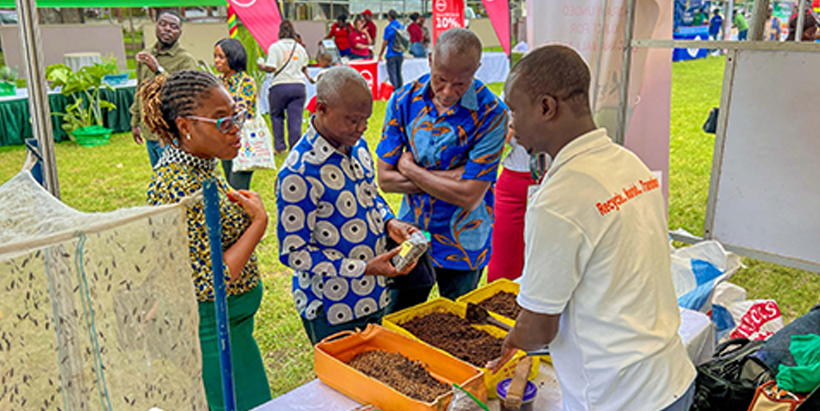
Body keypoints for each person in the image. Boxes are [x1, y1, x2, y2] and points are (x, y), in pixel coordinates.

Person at [487, 45, 696, 411]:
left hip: (619, 398)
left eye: (513, 110)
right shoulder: (629, 164)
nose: (511, 125)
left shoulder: (558, 199)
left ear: (546, 107)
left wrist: (510, 343)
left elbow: (539, 327)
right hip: (671, 378)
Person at [142, 70, 271, 411]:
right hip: (215, 334)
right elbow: (210, 280)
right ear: (185, 126)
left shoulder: (201, 167)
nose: (236, 129)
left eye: (237, 116)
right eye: (223, 122)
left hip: (229, 327)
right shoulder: (179, 187)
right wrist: (258, 224)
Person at [277, 67, 418, 344]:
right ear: (322, 109)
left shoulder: (357, 146)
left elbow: (370, 195)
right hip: (332, 309)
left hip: (375, 295)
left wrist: (390, 222)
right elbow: (294, 254)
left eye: (366, 119)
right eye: (353, 120)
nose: (362, 127)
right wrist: (363, 268)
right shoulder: (299, 173)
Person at [377, 29, 508, 312]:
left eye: (460, 83)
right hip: (413, 233)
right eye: (440, 79)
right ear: (430, 60)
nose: (448, 92)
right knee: (398, 316)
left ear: (477, 69)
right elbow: (385, 179)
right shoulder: (403, 101)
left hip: (465, 241)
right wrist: (456, 177)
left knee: (457, 322)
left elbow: (470, 196)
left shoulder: (492, 113)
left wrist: (409, 168)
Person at [130, 10, 197, 168]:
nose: (167, 29)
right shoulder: (146, 55)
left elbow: (187, 93)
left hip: (171, 134)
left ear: (179, 33)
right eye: (163, 24)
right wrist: (135, 122)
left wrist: (158, 70)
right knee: (158, 176)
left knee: (175, 176)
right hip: (150, 132)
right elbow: (140, 90)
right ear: (156, 27)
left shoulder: (185, 60)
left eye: (173, 27)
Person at [486, 124, 537, 283]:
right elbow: (492, 151)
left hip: (554, 178)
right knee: (504, 263)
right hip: (512, 183)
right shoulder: (507, 110)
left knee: (549, 258)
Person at [259, 20, 314, 154]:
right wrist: (309, 78)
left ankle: (280, 147)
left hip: (279, 86)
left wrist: (262, 66)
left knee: (277, 116)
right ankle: (295, 148)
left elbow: (271, 67)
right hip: (298, 86)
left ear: (280, 32)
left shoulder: (275, 47)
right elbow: (304, 66)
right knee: (295, 119)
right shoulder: (300, 48)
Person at [214, 38, 256, 190]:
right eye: (215, 56)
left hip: (242, 141)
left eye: (221, 57)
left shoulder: (245, 82)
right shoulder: (217, 82)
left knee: (238, 187)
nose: (216, 61)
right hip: (224, 140)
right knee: (230, 185)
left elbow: (240, 110)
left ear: (233, 57)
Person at [379, 9, 405, 88]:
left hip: (391, 53)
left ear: (389, 17)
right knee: (398, 73)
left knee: (392, 74)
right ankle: (401, 89)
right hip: (400, 53)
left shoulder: (389, 27)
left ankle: (395, 90)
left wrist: (380, 54)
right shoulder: (401, 27)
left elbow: (385, 41)